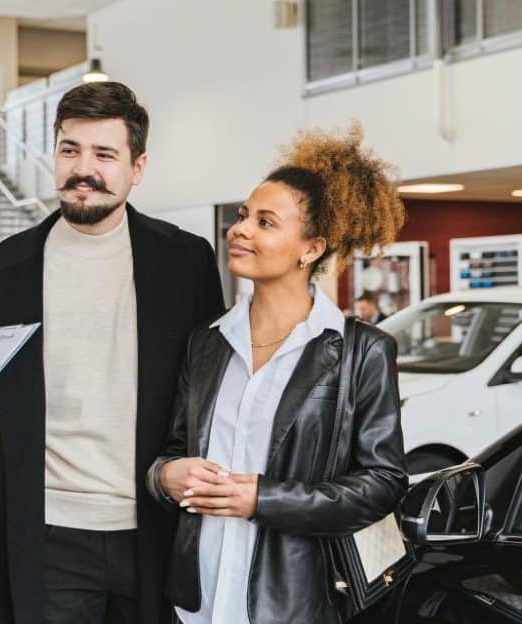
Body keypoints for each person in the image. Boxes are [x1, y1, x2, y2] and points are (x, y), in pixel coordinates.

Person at [0, 81, 225, 624]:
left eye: (104, 154)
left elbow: (208, 400)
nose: (82, 169)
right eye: (70, 149)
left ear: (137, 167)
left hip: (155, 532)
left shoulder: (187, 264)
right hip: (43, 540)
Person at [147, 122, 408, 624]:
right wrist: (165, 476)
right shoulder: (207, 343)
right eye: (244, 216)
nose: (240, 229)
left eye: (266, 222)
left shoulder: (362, 352)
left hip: (291, 603)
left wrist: (262, 497)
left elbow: (382, 484)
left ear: (311, 249)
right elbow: (174, 450)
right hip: (195, 601)